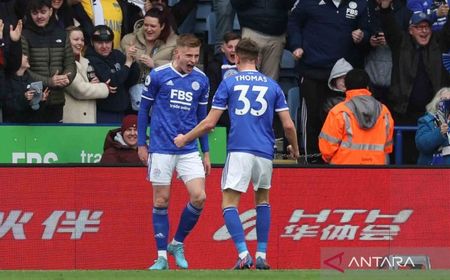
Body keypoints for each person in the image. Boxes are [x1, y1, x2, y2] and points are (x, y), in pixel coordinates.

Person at [174, 38, 299, 269]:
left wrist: (185, 138)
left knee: (229, 204)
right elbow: (289, 125)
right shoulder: (272, 85)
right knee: (262, 200)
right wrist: (295, 148)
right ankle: (261, 254)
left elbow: (210, 123)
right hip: (264, 152)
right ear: (259, 60)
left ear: (237, 58)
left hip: (240, 149)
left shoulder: (229, 83)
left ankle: (243, 253)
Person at [137, 34, 211, 270]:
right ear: (177, 53)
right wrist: (141, 143)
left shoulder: (202, 80)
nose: (193, 60)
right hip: (160, 146)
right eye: (189, 55)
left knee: (199, 197)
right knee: (161, 200)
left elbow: (203, 119)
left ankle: (177, 243)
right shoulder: (158, 76)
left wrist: (206, 151)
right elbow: (143, 110)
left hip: (189, 148)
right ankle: (161, 257)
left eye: (196, 56)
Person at [287, 0, 370, 163]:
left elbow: (368, 30)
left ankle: (339, 160)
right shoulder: (307, 2)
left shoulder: (359, 4)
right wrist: (296, 45)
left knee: (343, 120)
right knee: (312, 118)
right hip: (312, 69)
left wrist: (362, 35)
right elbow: (293, 23)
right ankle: (310, 159)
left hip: (344, 74)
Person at [379, 0, 450, 164]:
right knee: (405, 160)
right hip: (404, 112)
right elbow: (389, 25)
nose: (424, 31)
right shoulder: (401, 43)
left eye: (427, 27)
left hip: (434, 114)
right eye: (419, 27)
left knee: (431, 159)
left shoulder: (439, 43)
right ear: (410, 30)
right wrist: (385, 7)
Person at [319, 69, 394, 164]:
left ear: (346, 87)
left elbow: (327, 149)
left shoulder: (339, 112)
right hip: (377, 170)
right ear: (367, 87)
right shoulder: (384, 111)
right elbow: (387, 147)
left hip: (343, 172)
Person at [21, 0, 76, 123]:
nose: (39, 16)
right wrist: (49, 81)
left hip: (57, 101)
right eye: (35, 13)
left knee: (54, 141)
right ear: (30, 14)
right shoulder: (24, 35)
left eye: (43, 12)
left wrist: (67, 77)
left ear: (51, 12)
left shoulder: (62, 34)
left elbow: (70, 63)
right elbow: (23, 70)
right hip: (33, 101)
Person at [120, 5, 177, 111]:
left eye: (153, 26)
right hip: (131, 97)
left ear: (162, 26)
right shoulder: (129, 39)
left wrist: (155, 65)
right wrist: (127, 55)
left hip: (162, 97)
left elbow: (179, 68)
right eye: (146, 25)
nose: (148, 29)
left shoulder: (175, 43)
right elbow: (118, 63)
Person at [85, 24, 139, 123]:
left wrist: (133, 60)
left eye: (107, 42)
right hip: (104, 112)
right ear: (92, 43)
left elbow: (132, 80)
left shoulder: (117, 55)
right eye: (100, 42)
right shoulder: (90, 59)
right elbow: (113, 81)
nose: (104, 46)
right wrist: (128, 63)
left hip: (123, 110)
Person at [231, 0, 295, 81]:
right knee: (248, 79)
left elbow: (292, 4)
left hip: (276, 34)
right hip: (251, 31)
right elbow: (236, 3)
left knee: (271, 82)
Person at [63, 26, 112, 123]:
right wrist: (105, 87)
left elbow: (88, 85)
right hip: (73, 121)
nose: (80, 43)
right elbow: (80, 90)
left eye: (82, 40)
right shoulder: (62, 62)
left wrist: (92, 85)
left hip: (89, 121)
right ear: (66, 41)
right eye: (76, 39)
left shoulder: (86, 61)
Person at [206, 31, 241, 129]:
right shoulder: (214, 66)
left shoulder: (249, 66)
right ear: (222, 48)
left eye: (237, 47)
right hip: (221, 116)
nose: (233, 50)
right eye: (230, 47)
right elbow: (211, 94)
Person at [416, 87, 450, 165]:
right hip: (433, 170)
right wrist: (439, 133)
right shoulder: (427, 120)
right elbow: (422, 145)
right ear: (437, 102)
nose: (448, 103)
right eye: (444, 99)